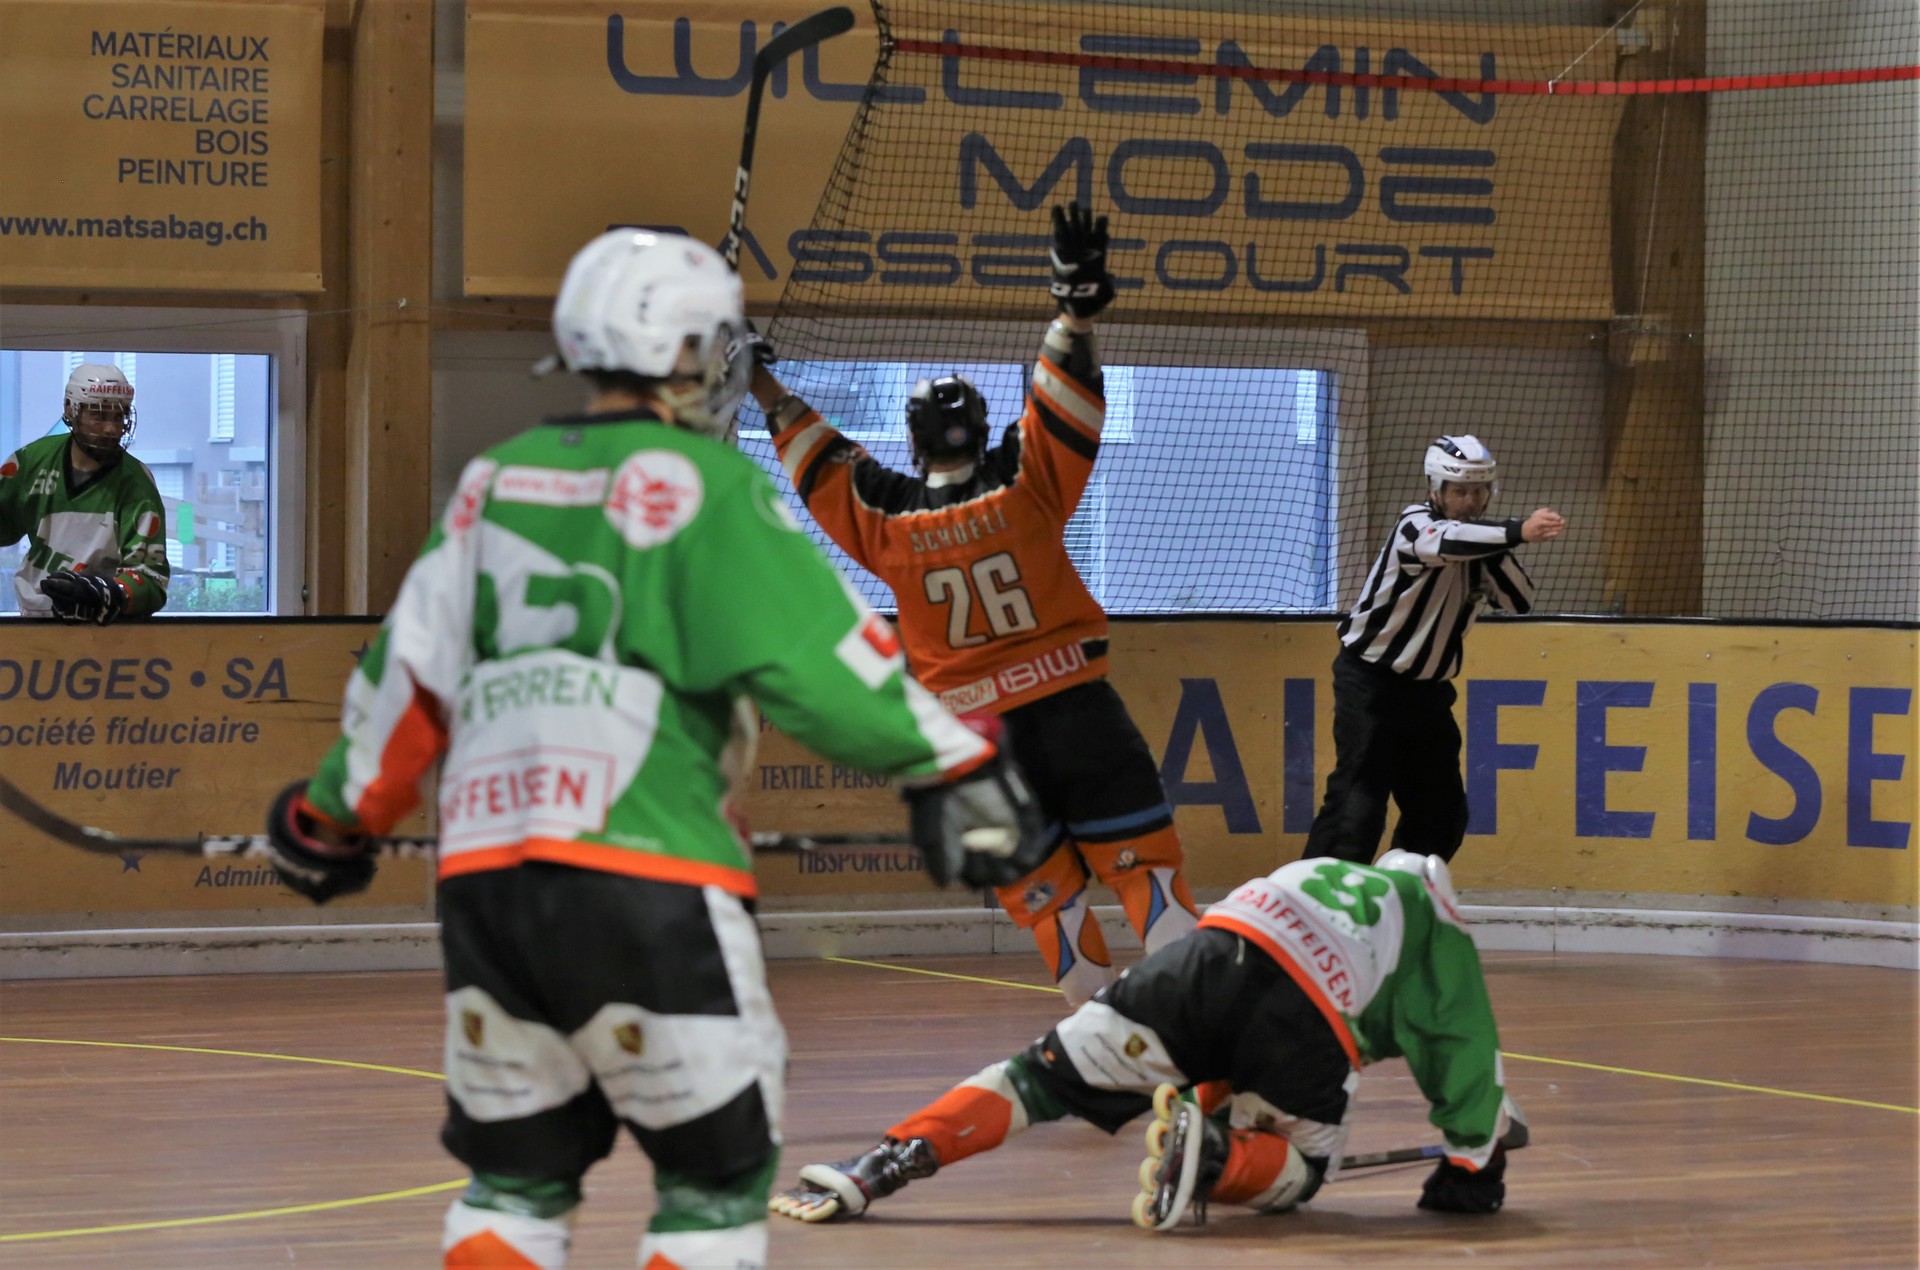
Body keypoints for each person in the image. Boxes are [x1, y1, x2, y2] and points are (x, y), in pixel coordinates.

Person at [258, 229, 1045, 1270]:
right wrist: (958, 764)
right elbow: (825, 669)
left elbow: (404, 684)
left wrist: (328, 818)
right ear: (692, 351)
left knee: (514, 1185)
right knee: (713, 1185)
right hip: (653, 880)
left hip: (491, 895)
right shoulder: (707, 488)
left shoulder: (495, 481)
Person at [745, 202, 1199, 1007]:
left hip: (978, 741)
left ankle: (1107, 1047)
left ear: (913, 443)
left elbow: (819, 459)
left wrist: (757, 379)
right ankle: (1207, 1035)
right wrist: (1073, 315)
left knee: (1052, 909)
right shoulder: (1026, 486)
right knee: (1150, 883)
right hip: (1079, 714)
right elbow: (1062, 405)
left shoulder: (888, 520)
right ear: (984, 430)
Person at [768, 850, 1527, 1232]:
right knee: (1301, 1172)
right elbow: (1465, 1058)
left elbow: (1226, 1023)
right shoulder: (1440, 934)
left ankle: (879, 1165)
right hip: (1306, 1017)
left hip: (1204, 962)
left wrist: (1207, 1099)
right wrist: (1471, 1165)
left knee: (1037, 1077)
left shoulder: (1326, 869)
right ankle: (1222, 1160)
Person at [1301, 436, 1566, 865]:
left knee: (1441, 814)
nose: (1470, 502)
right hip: (1371, 683)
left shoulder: (1481, 544)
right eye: (1459, 491)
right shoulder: (1414, 525)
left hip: (1428, 694)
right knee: (1357, 805)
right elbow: (1445, 541)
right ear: (1435, 489)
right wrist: (1519, 531)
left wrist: (1496, 549)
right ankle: (1315, 899)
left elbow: (1519, 600)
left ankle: (1403, 893)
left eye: (1479, 492)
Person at [0, 363, 168, 621]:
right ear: (70, 409)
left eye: (119, 416)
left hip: (106, 628)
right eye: (99, 416)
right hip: (33, 619)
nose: (112, 429)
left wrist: (105, 593)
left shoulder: (137, 484)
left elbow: (151, 579)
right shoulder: (31, 461)